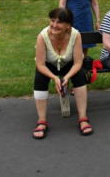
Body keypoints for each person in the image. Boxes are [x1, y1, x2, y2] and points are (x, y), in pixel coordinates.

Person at [33, 8, 93, 139]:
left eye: (59, 22)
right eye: (52, 21)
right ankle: (41, 121)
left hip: (69, 64)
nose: (54, 25)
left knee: (80, 76)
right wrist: (55, 78)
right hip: (48, 65)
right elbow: (40, 64)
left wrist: (66, 77)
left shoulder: (75, 35)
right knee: (39, 78)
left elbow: (78, 62)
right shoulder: (42, 36)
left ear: (68, 25)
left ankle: (83, 118)